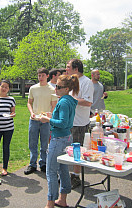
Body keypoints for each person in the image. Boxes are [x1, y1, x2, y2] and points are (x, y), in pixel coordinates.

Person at [40, 74, 79, 208]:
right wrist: (52, 115)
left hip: (59, 139)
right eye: (55, 86)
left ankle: (50, 203)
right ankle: (62, 199)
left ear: (67, 88)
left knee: (51, 171)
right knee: (63, 169)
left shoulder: (63, 101)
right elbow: (65, 120)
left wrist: (48, 120)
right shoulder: (69, 100)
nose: (55, 89)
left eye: (59, 87)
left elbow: (62, 123)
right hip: (67, 137)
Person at [66, 59, 94, 189]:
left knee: (77, 151)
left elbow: (88, 102)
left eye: (68, 67)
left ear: (76, 69)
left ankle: (76, 176)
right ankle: (69, 175)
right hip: (69, 122)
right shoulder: (72, 81)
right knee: (68, 150)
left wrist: (70, 100)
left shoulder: (87, 82)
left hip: (79, 123)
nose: (66, 69)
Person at [25, 68, 58, 175]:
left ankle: (43, 163)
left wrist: (50, 113)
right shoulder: (33, 88)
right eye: (39, 76)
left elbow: (54, 105)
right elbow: (29, 102)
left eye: (43, 75)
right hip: (34, 119)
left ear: (47, 76)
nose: (40, 78)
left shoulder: (52, 89)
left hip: (46, 121)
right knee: (32, 143)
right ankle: (32, 164)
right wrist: (31, 112)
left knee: (44, 144)